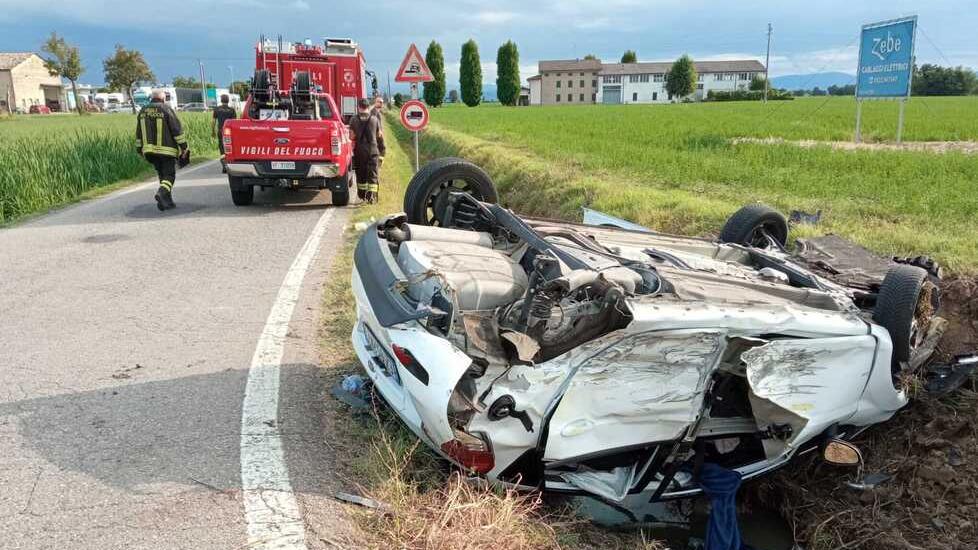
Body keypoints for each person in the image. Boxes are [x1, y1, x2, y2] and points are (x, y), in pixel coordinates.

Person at [136, 90, 189, 210]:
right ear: (163, 99)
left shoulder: (143, 111)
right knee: (169, 176)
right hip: (167, 151)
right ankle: (161, 193)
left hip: (149, 151)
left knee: (162, 175)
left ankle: (166, 202)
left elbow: (138, 132)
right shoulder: (166, 109)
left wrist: (139, 149)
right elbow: (176, 130)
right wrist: (184, 147)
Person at [348, 98, 382, 203]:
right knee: (373, 173)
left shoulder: (353, 119)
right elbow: (379, 135)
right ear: (368, 107)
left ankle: (362, 195)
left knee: (361, 173)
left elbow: (352, 136)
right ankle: (372, 196)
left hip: (360, 151)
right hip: (373, 150)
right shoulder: (374, 119)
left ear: (358, 107)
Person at [212, 94, 237, 173]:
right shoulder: (232, 110)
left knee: (222, 148)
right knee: (229, 148)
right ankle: (229, 165)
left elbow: (213, 121)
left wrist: (212, 131)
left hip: (220, 131)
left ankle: (224, 166)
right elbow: (234, 122)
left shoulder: (217, 109)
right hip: (229, 132)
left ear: (221, 100)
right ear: (228, 100)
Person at [370, 95, 386, 162]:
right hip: (376, 135)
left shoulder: (377, 111)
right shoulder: (373, 112)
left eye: (382, 102)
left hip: (378, 134)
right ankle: (377, 163)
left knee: (381, 149)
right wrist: (379, 131)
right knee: (381, 148)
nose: (381, 103)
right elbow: (374, 123)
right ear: (375, 102)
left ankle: (378, 162)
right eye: (379, 102)